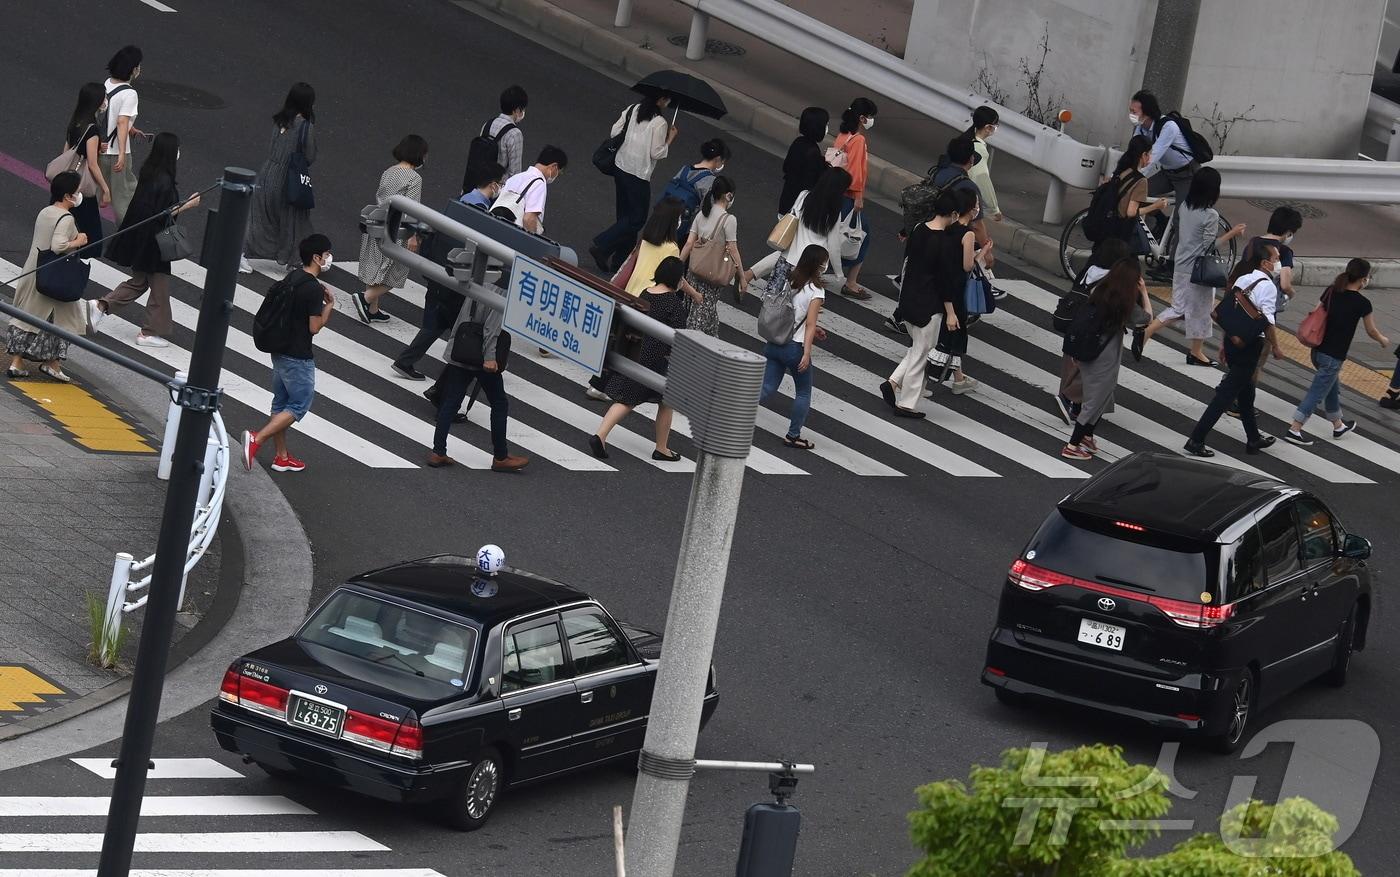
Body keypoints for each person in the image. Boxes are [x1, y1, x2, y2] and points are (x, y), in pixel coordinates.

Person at [391, 165, 506, 383]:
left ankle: (407, 362)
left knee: (437, 324)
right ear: (493, 184)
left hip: (439, 269)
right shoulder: (479, 211)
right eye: (500, 183)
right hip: (456, 276)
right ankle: (449, 382)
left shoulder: (462, 200)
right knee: (463, 330)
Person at [93, 132, 199, 348]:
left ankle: (101, 306)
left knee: (139, 282)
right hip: (154, 243)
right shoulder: (166, 182)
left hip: (140, 238)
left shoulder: (149, 171)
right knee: (159, 289)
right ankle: (149, 332)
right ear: (171, 152)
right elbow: (164, 214)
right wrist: (188, 204)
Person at [240, 234, 335, 473]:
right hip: (298, 356)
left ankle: (282, 457)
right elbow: (314, 327)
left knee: (281, 403)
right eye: (326, 255)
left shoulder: (293, 276)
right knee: (299, 405)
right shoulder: (313, 289)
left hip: (279, 350)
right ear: (316, 257)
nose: (328, 259)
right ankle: (257, 439)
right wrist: (329, 307)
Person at [588, 256, 699, 460]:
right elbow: (679, 338)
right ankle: (659, 448)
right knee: (660, 402)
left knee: (631, 400)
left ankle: (602, 435)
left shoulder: (645, 293)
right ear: (676, 279)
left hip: (635, 353)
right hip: (657, 362)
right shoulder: (674, 304)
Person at [1183, 245, 1283, 458]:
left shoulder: (1243, 280)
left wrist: (1223, 344)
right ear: (1265, 263)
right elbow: (1268, 322)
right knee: (1225, 395)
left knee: (1246, 392)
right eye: (1276, 258)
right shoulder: (1269, 287)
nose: (1278, 263)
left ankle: (1253, 438)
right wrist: (1275, 346)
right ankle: (1196, 439)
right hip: (1249, 345)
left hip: (1232, 341)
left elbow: (1230, 314)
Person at [1140, 167, 1246, 365]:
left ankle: (1196, 352)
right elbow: (1208, 247)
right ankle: (1148, 332)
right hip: (1198, 272)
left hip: (1181, 266)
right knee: (1186, 310)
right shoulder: (1211, 215)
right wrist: (1232, 233)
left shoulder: (1184, 207)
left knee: (1195, 310)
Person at [880, 189, 969, 418]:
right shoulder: (945, 243)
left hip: (909, 299)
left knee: (917, 348)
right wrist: (951, 313)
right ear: (953, 214)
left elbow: (908, 263)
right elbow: (945, 281)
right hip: (929, 306)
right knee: (921, 354)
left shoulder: (919, 230)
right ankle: (906, 404)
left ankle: (893, 382)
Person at [1283, 259, 1389, 446]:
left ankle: (1338, 425)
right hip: (1333, 357)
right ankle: (1295, 428)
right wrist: (1382, 339)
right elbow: (1371, 331)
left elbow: (1314, 311)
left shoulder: (1331, 291)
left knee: (1331, 386)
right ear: (1363, 279)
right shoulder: (1362, 303)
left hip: (1317, 351)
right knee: (1316, 393)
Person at [429, 293, 530, 472]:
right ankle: (500, 457)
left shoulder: (481, 279)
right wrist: (490, 358)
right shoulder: (503, 290)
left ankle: (438, 452)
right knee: (499, 403)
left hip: (462, 349)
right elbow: (491, 328)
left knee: (451, 402)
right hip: (481, 357)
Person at [6, 172, 90, 382]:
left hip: (34, 271)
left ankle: (17, 362)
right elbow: (58, 245)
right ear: (68, 195)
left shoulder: (46, 211)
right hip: (54, 277)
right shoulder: (67, 218)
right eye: (77, 191)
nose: (79, 194)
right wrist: (79, 241)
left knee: (26, 317)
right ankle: (53, 364)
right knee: (65, 320)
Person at [1060, 258, 1146, 460]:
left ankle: (1087, 436)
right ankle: (1072, 446)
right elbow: (1145, 318)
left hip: (1087, 351)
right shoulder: (1124, 302)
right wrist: (1143, 293)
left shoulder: (1100, 291)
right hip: (1103, 356)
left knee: (1103, 396)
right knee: (1095, 400)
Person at [589, 95, 677, 272]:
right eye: (666, 99)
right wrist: (670, 139)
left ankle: (619, 261)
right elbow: (656, 152)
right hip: (638, 175)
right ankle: (602, 245)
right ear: (659, 100)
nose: (668, 102)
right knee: (636, 219)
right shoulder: (660, 123)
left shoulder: (633, 109)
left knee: (625, 217)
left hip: (621, 167)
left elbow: (615, 131)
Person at [1055, 238, 1132, 425]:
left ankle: (1075, 404)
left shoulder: (1090, 270)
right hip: (1094, 330)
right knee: (1093, 370)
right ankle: (1072, 401)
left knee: (1073, 364)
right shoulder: (1112, 279)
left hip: (1075, 322)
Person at [241, 82, 317, 273]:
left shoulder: (280, 120)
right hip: (287, 178)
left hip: (267, 173)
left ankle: (241, 253)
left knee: (261, 217)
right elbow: (309, 156)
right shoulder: (305, 126)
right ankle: (296, 260)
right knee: (294, 220)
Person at [353, 135, 427, 324]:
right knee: (396, 272)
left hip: (377, 223)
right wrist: (413, 236)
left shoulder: (389, 171)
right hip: (397, 231)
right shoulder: (414, 178)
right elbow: (411, 208)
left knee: (375, 267)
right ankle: (365, 298)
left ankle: (372, 309)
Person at [760, 245, 827, 447]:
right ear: (818, 265)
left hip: (775, 341)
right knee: (804, 392)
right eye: (824, 263)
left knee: (767, 387)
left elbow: (792, 313)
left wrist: (814, 329)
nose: (825, 266)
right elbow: (809, 323)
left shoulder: (790, 280)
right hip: (794, 348)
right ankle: (793, 435)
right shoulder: (816, 291)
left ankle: (732, 413)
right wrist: (806, 353)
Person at [745, 166, 850, 292]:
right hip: (810, 264)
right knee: (800, 303)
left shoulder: (804, 196)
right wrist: (839, 274)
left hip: (788, 257)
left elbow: (793, 217)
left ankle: (749, 276)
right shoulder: (834, 213)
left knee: (772, 296)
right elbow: (834, 246)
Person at [926, 188, 983, 395]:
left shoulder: (949, 227)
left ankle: (959, 378)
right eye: (976, 204)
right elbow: (967, 266)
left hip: (941, 285)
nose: (978, 207)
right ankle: (927, 375)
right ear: (970, 208)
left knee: (948, 330)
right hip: (955, 287)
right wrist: (981, 253)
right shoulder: (967, 233)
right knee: (954, 331)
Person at [679, 175, 747, 335]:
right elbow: (733, 248)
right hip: (711, 275)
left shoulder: (702, 214)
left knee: (693, 309)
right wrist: (742, 277)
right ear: (728, 195)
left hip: (694, 271)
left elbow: (689, 243)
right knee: (702, 313)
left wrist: (678, 264)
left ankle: (710, 339)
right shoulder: (729, 220)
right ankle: (693, 346)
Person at [1129, 89, 1197, 237]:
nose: (1131, 115)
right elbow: (1133, 154)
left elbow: (1152, 157)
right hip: (1168, 173)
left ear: (1147, 112)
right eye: (1130, 111)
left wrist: (1133, 178)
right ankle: (1161, 220)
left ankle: (1173, 260)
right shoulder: (1141, 128)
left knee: (1181, 219)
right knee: (1138, 194)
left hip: (1187, 174)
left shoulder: (1168, 126)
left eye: (1134, 111)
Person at [832, 97, 877, 300]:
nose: (870, 121)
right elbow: (856, 172)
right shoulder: (858, 140)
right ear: (861, 118)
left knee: (830, 233)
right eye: (869, 117)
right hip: (848, 196)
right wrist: (858, 197)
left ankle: (816, 272)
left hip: (834, 191)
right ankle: (851, 281)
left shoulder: (843, 135)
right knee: (861, 233)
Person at [61, 83, 112, 252]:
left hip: (67, 183)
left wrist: (96, 147)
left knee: (64, 226)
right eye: (104, 97)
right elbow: (92, 164)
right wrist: (105, 189)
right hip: (81, 188)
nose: (106, 101)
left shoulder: (75, 121)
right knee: (90, 235)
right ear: (96, 101)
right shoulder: (92, 128)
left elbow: (66, 151)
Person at [99, 45, 145, 226]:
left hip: (99, 148)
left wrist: (133, 130)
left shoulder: (107, 83)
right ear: (133, 69)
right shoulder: (130, 93)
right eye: (139, 66)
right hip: (116, 152)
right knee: (124, 197)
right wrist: (121, 154)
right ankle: (127, 238)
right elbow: (121, 122)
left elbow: (108, 115)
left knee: (95, 191)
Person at [666, 137, 729, 243]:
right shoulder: (711, 181)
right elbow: (706, 212)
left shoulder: (685, 169)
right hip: (682, 228)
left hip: (663, 216)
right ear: (718, 159)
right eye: (723, 161)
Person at [494, 145, 568, 235]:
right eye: (559, 173)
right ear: (554, 167)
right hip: (512, 235)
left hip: (496, 226)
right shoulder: (539, 183)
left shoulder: (516, 177)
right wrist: (532, 242)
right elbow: (529, 218)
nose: (556, 176)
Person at [622, 197, 685, 297]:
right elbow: (674, 279)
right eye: (679, 217)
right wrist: (694, 294)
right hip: (649, 297)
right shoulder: (672, 248)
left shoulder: (646, 239)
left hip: (630, 290)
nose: (680, 221)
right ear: (672, 221)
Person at [778, 107, 829, 216]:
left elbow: (786, 167)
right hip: (797, 209)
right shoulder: (813, 152)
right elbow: (812, 183)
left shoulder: (798, 142)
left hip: (786, 200)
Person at [963, 107, 1002, 224]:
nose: (996, 128)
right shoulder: (979, 150)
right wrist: (994, 209)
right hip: (965, 200)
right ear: (987, 127)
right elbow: (982, 179)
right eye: (996, 125)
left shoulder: (965, 139)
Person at [482, 85, 528, 180]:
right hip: (496, 188)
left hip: (479, 181)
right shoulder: (515, 134)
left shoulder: (488, 124)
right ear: (517, 110)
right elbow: (515, 173)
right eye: (523, 109)